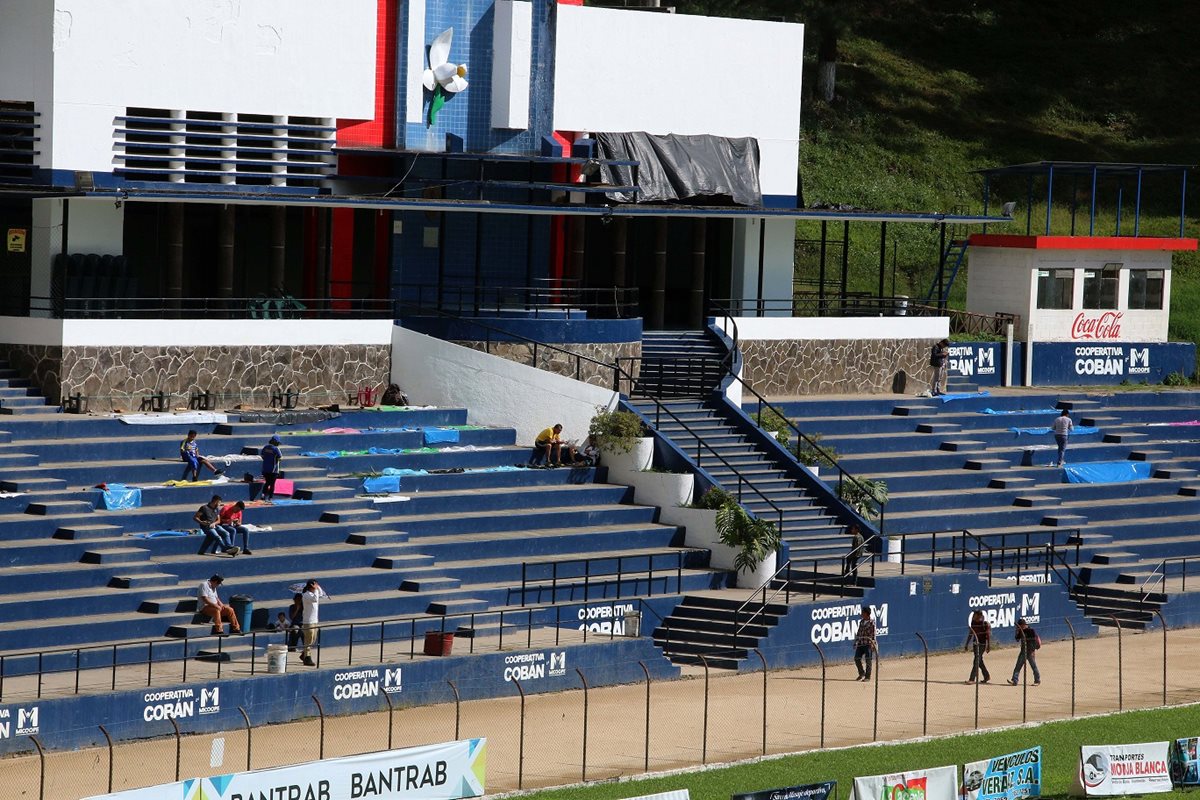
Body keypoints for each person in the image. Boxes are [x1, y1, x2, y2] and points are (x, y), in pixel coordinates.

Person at [1007, 618, 1042, 686]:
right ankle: (1015, 680)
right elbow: (1017, 639)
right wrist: (1017, 631)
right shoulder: (1021, 631)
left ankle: (1037, 680)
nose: (1019, 627)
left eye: (1020, 626)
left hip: (1030, 651)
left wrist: (1032, 651)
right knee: (1018, 666)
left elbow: (1033, 642)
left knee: (1033, 666)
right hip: (1023, 651)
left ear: (1023, 625)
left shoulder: (1031, 631)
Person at [964, 609, 992, 684]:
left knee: (976, 660)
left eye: (975, 614)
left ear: (979, 615)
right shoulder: (973, 622)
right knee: (979, 660)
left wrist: (988, 646)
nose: (974, 615)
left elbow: (988, 636)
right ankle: (986, 676)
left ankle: (972, 679)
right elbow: (971, 633)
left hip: (982, 644)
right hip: (975, 644)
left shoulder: (985, 624)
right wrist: (967, 643)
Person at [300, 578, 322, 667]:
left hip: (315, 620)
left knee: (313, 639)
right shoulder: (306, 595)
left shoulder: (315, 593)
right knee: (308, 640)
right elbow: (315, 599)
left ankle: (304, 653)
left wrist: (318, 587)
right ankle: (307, 658)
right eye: (315, 585)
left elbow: (320, 594)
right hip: (308, 621)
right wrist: (316, 589)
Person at [853, 606, 876, 682]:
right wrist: (856, 642)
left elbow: (873, 635)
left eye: (862, 612)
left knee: (868, 660)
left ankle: (867, 677)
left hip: (868, 644)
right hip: (861, 643)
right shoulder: (861, 622)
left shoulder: (872, 623)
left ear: (866, 614)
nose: (861, 614)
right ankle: (861, 673)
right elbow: (859, 633)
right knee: (856, 658)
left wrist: (872, 644)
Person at [260, 436, 283, 502]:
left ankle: (263, 495)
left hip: (265, 469)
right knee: (272, 484)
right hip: (274, 470)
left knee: (267, 483)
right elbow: (280, 457)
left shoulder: (265, 447)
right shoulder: (276, 449)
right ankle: (270, 497)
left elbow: (262, 456)